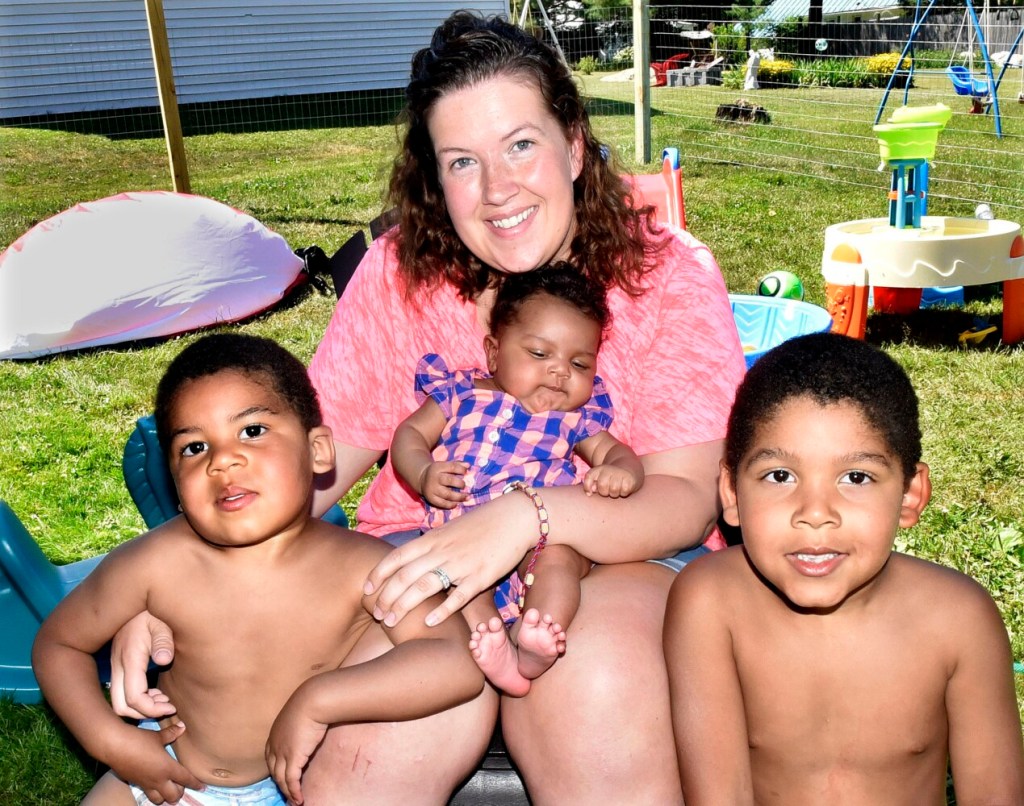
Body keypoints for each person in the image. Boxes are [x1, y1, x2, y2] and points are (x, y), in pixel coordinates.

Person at [108, 11, 746, 802]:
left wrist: (525, 518)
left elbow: (683, 499)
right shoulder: (399, 274)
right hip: (422, 564)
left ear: (575, 145)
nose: (498, 189)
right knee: (384, 733)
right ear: (435, 180)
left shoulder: (666, 276)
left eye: (521, 144)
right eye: (462, 162)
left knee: (597, 681)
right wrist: (172, 591)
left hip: (615, 558)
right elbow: (299, 468)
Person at [33, 334, 483, 806]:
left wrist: (319, 699)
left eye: (252, 431)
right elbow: (59, 643)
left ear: (319, 451)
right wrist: (111, 742)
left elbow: (451, 660)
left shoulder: (362, 566)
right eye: (194, 447)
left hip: (294, 787)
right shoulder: (155, 562)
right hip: (165, 772)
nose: (222, 460)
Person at [663, 332, 1024, 804]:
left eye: (856, 478)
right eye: (780, 476)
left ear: (911, 494)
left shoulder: (958, 620)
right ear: (731, 492)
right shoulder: (710, 603)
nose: (815, 512)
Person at [391, 264, 645, 696]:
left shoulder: (573, 418)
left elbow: (617, 453)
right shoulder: (461, 392)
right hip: (461, 531)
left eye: (579, 362)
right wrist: (423, 472)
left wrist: (620, 472)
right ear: (494, 353)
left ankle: (538, 635)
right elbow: (410, 435)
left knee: (560, 562)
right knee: (460, 587)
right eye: (540, 354)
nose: (560, 372)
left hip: (538, 535)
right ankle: (497, 650)